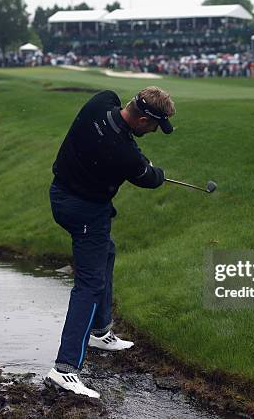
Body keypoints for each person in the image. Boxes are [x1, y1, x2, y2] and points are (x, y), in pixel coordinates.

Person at [46, 86, 175, 398]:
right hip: (86, 212)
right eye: (156, 125)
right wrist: (156, 170)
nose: (156, 131)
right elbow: (150, 177)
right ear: (143, 120)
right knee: (89, 284)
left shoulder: (101, 102)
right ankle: (64, 369)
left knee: (107, 252)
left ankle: (99, 331)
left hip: (61, 194)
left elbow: (121, 134)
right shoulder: (125, 155)